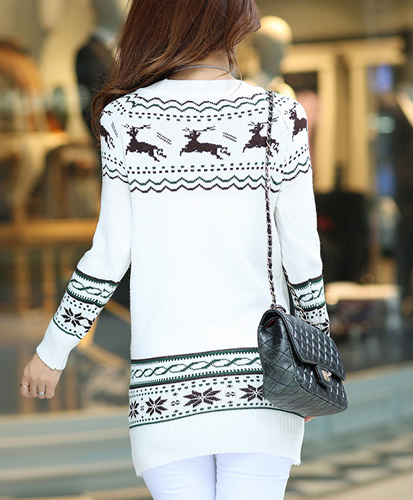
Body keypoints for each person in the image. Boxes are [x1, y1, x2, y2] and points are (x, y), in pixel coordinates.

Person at [19, 1, 331, 498]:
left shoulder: (124, 120)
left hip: (163, 391)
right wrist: (317, 359)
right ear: (231, 21)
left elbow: (108, 256)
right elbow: (302, 251)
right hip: (263, 380)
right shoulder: (278, 114)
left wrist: (53, 350)